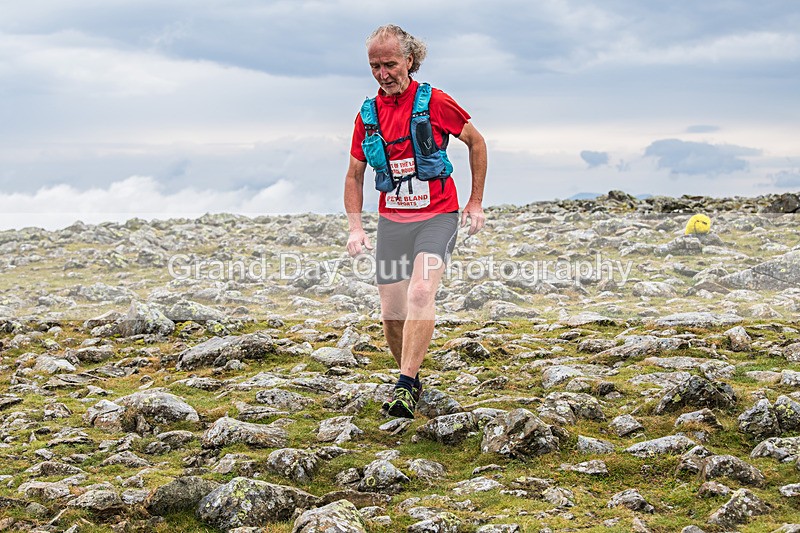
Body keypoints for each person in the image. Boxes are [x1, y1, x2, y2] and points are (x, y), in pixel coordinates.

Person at [343, 24, 487, 418]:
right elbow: (354, 175)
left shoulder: (436, 102)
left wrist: (474, 203)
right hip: (393, 222)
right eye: (375, 66)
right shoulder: (368, 114)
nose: (382, 74)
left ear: (410, 60)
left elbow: (477, 141)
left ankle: (405, 384)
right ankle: (410, 377)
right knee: (392, 312)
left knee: (421, 293)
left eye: (390, 64)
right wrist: (356, 227)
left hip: (437, 216)